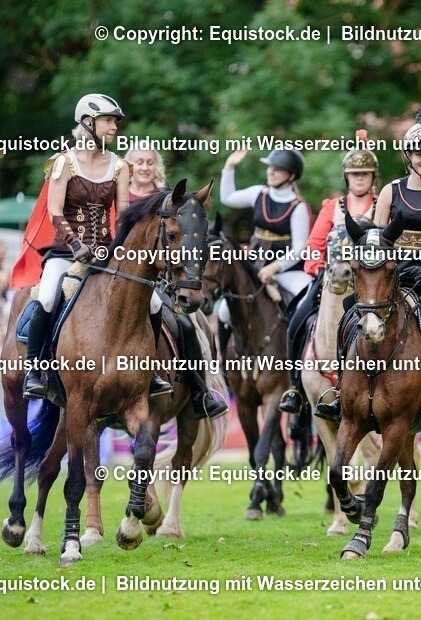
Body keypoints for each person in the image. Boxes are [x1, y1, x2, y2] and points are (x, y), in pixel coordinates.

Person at [320, 107, 421, 431]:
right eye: (419, 153)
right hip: (393, 274)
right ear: (409, 156)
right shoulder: (390, 191)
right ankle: (339, 389)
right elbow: (376, 236)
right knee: (349, 314)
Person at [19, 94, 171, 399]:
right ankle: (34, 372)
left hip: (106, 253)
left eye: (114, 121)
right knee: (48, 296)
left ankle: (152, 371)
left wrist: (122, 250)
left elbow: (124, 216)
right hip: (65, 251)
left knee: (153, 303)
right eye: (108, 120)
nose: (114, 126)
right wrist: (76, 245)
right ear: (88, 123)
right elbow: (54, 210)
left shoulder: (119, 166)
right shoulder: (64, 162)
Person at [279, 135, 379, 414]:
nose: (359, 178)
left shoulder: (383, 205)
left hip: (369, 283)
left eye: (365, 173)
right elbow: (314, 245)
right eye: (354, 173)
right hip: (331, 281)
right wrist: (318, 268)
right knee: (297, 320)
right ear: (347, 177)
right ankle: (296, 387)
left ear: (373, 177)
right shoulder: (332, 207)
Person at [125, 146, 226, 418]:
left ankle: (200, 392)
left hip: (163, 279)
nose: (144, 166)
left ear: (156, 166)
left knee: (184, 323)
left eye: (149, 162)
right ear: (128, 166)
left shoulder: (172, 200)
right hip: (123, 275)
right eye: (138, 162)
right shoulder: (117, 192)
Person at [218, 146, 313, 356]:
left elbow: (299, 249)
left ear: (291, 175)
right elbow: (227, 198)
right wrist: (230, 166)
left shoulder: (298, 207)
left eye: (277, 169)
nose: (270, 171)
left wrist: (274, 268)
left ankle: (299, 362)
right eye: (270, 167)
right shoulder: (257, 194)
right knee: (225, 310)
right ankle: (224, 363)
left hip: (288, 272)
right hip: (255, 266)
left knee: (304, 305)